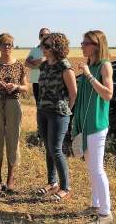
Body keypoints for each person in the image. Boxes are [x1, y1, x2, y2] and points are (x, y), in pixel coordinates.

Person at [73, 30, 114, 224]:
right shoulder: (89, 65)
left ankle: (106, 214)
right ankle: (96, 205)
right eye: (82, 42)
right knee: (91, 168)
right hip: (85, 122)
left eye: (86, 43)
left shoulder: (105, 66)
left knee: (97, 169)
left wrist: (89, 76)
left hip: (96, 124)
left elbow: (107, 94)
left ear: (96, 46)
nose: (82, 45)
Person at [0, 33, 28, 192]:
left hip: (13, 104)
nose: (7, 47)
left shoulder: (20, 65)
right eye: (3, 44)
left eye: (9, 44)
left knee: (13, 139)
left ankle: (10, 178)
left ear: (13, 46)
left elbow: (26, 87)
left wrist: (16, 87)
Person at [35, 33, 77, 201]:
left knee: (56, 150)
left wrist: (66, 111)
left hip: (58, 114)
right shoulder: (45, 65)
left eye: (47, 46)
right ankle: (51, 183)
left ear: (56, 48)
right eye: (42, 45)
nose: (43, 48)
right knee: (48, 147)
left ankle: (65, 187)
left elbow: (73, 93)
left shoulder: (65, 66)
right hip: (42, 110)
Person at [25, 28, 50, 106]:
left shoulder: (53, 48)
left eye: (46, 35)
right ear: (39, 37)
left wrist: (33, 61)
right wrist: (39, 65)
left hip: (49, 81)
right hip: (36, 81)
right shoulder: (35, 48)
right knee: (38, 106)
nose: (44, 36)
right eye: (41, 35)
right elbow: (26, 63)